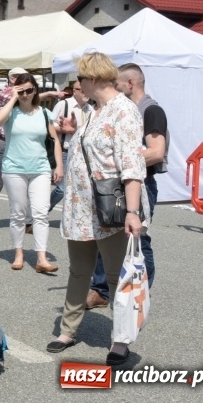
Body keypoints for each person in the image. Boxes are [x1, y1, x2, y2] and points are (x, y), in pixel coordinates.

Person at [46, 52, 149, 366]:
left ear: (92, 79)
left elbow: (131, 165)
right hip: (81, 209)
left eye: (80, 79)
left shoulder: (124, 111)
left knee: (118, 276)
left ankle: (120, 339)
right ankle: (68, 330)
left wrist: (132, 212)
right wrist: (69, 131)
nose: (78, 85)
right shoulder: (91, 110)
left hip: (110, 209)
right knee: (79, 271)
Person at [85, 63, 167, 309]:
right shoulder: (120, 108)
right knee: (107, 233)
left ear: (130, 83)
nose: (114, 87)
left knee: (139, 239)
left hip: (141, 182)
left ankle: (141, 292)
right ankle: (101, 290)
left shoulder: (150, 111)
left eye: (117, 83)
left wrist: (119, 156)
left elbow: (157, 152)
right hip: (118, 182)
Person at [0, 73, 63, 273]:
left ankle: (41, 257)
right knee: (18, 213)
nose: (25, 95)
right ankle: (19, 254)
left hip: (40, 168)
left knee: (41, 213)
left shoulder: (44, 113)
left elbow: (55, 140)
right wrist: (13, 97)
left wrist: (59, 166)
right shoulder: (10, 113)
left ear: (35, 90)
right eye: (21, 91)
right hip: (14, 169)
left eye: (29, 90)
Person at [0, 68, 65, 232]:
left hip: (24, 148)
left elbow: (30, 99)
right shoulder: (5, 94)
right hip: (5, 144)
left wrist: (48, 93)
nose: (25, 93)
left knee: (30, 188)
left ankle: (29, 221)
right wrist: (40, 93)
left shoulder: (26, 98)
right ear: (13, 79)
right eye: (22, 84)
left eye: (29, 89)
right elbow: (2, 116)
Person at [48, 82, 91, 212]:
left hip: (84, 153)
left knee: (80, 187)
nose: (85, 92)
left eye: (87, 89)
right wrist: (64, 129)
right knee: (62, 188)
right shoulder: (64, 104)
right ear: (74, 91)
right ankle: (42, 211)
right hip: (66, 151)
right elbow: (49, 125)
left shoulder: (90, 109)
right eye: (82, 90)